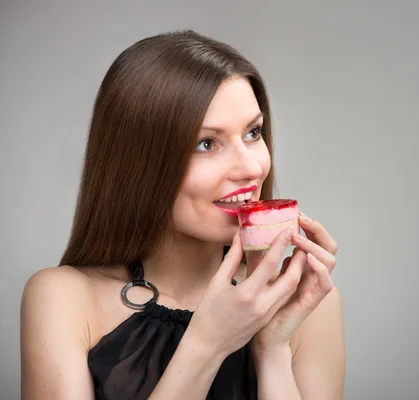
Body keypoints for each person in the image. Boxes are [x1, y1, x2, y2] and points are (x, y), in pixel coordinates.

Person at [20, 30, 345, 399]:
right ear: (138, 163)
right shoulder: (63, 298)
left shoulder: (306, 301)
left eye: (254, 133)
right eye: (206, 143)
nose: (252, 167)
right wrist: (206, 344)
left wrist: (272, 349)